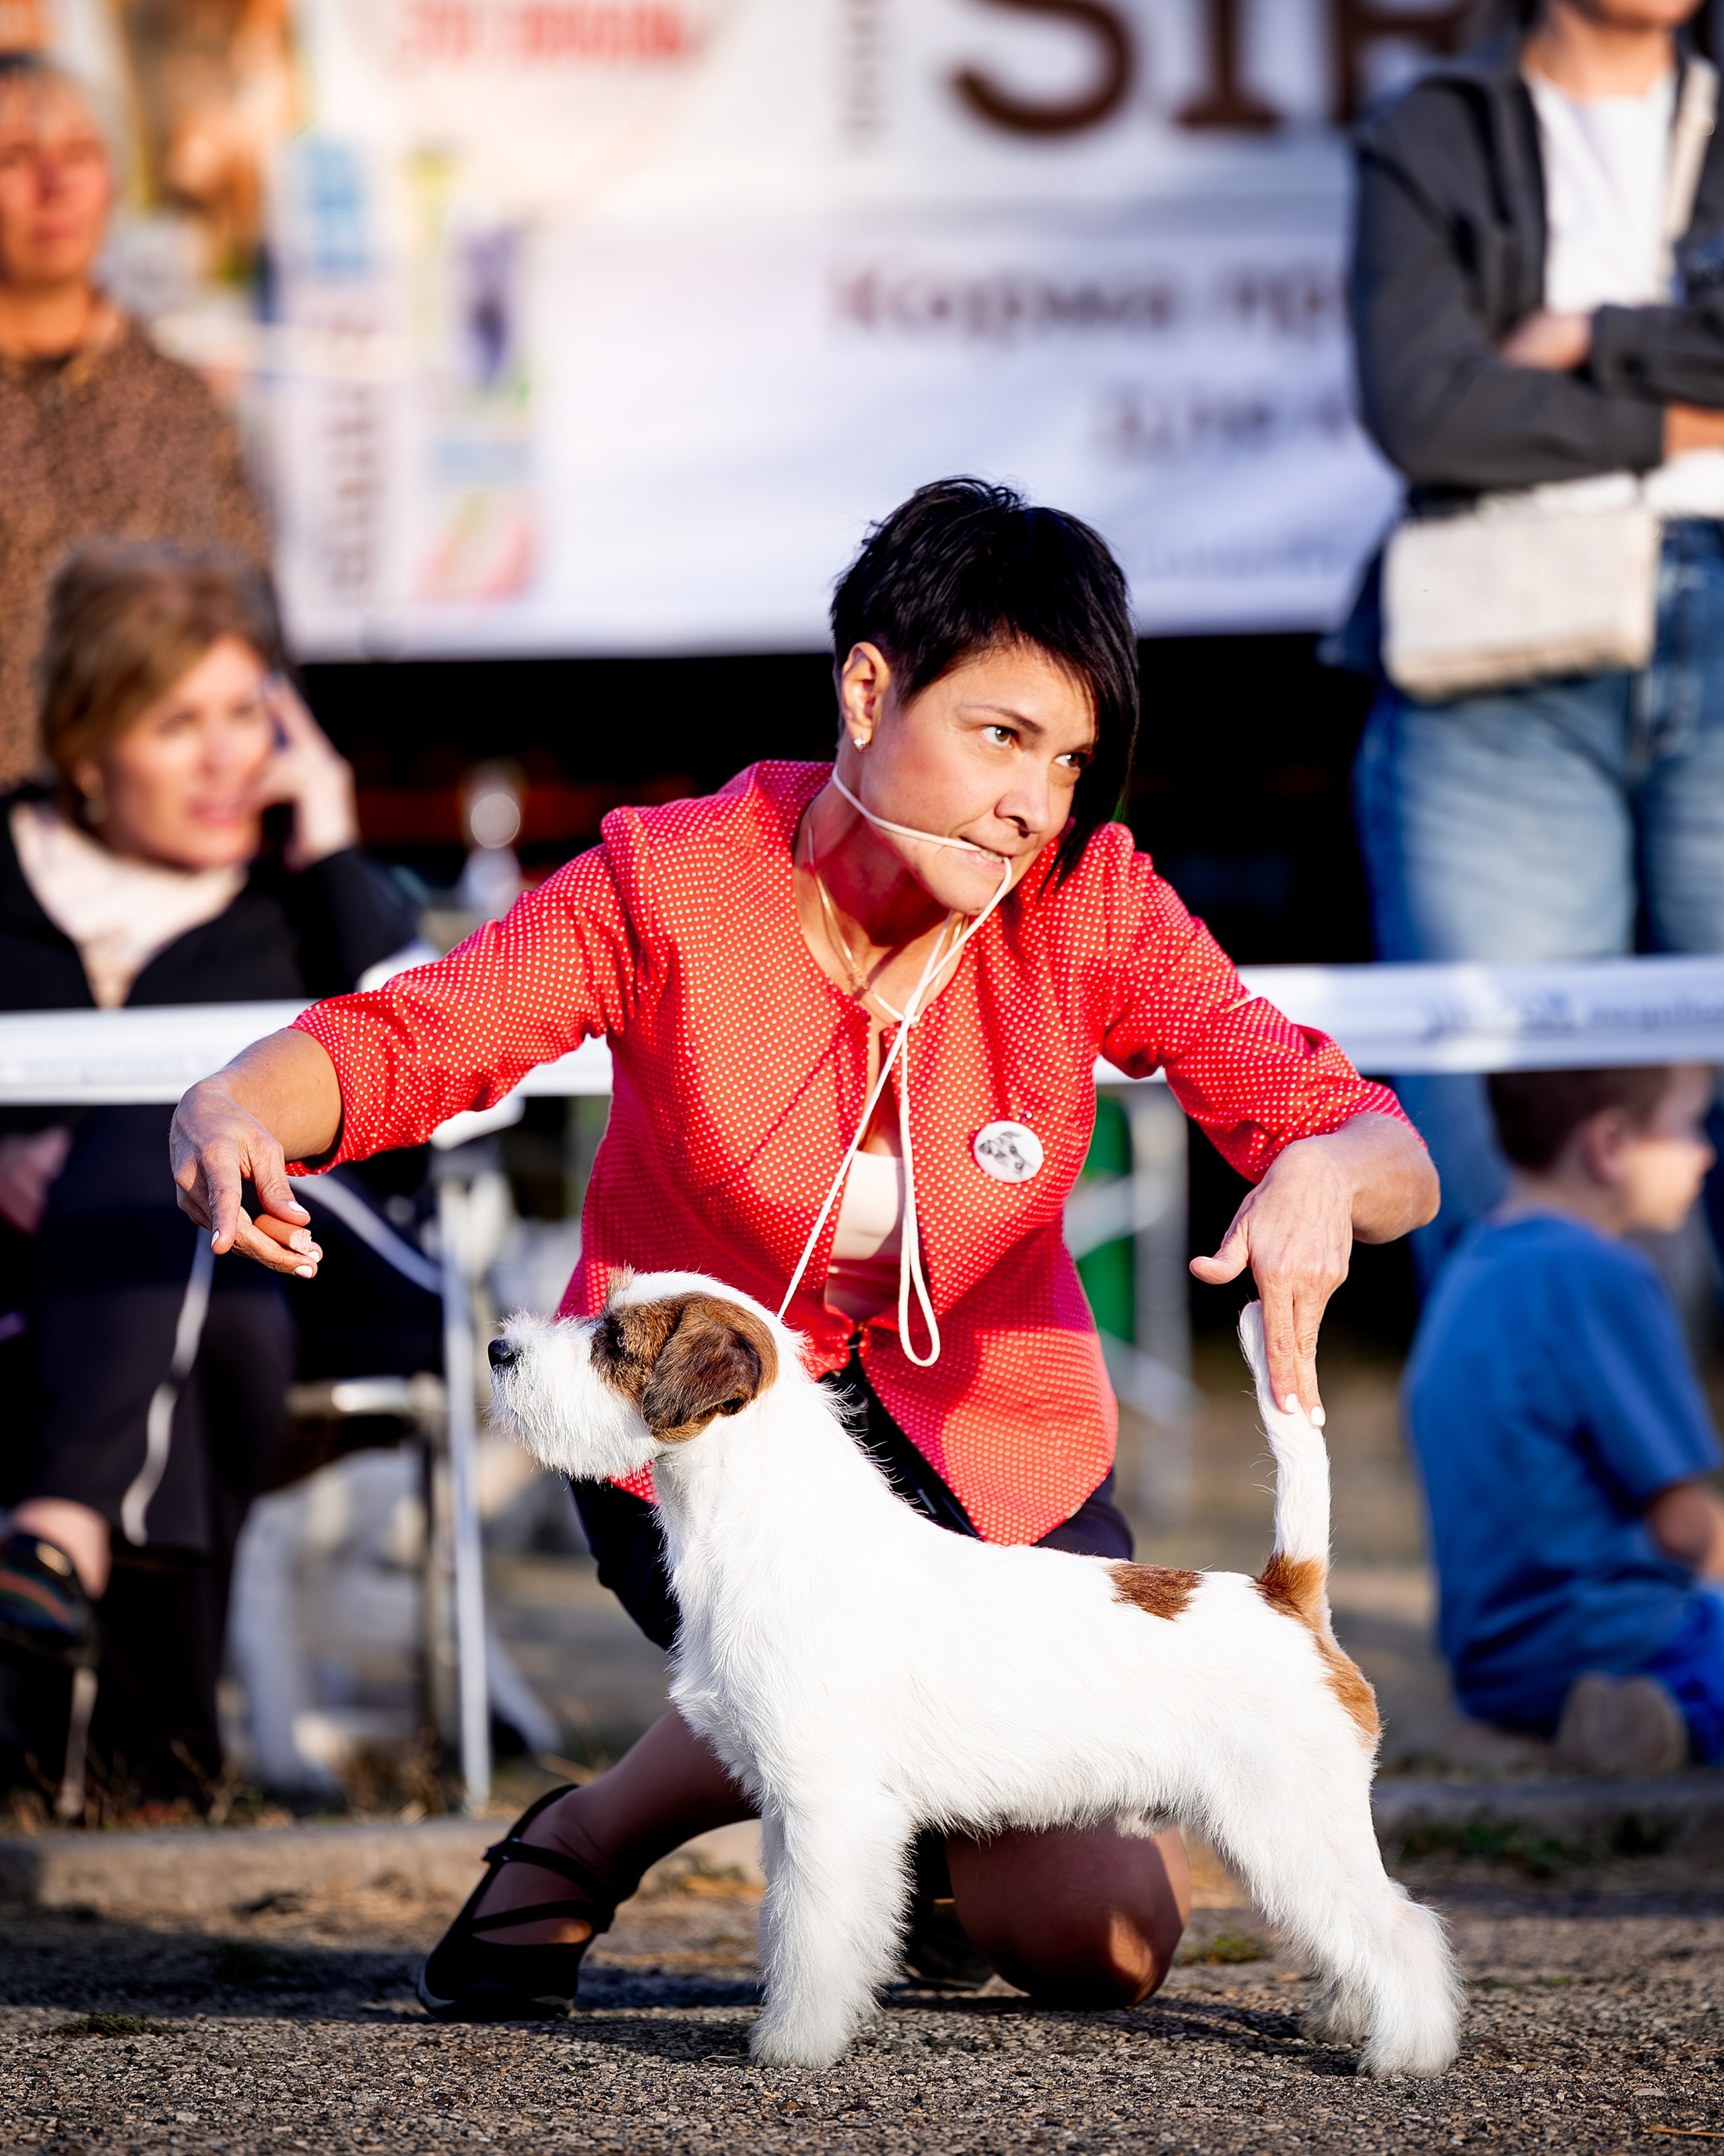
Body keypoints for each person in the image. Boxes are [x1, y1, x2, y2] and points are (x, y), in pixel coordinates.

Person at [170, 478, 1438, 2019]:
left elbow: (1382, 1148)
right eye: (998, 735)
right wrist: (244, 1099)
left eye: (1067, 760)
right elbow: (425, 1035)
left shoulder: (1086, 902)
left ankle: (838, 1843)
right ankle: (593, 1834)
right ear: (865, 690)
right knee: (803, 1629)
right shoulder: (670, 880)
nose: (1033, 799)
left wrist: (1321, 1169)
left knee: (1096, 1941)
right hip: (701, 1440)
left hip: (998, 1466)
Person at [0, 542, 418, 1805]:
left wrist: (338, 840)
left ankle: (52, 1537)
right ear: (85, 749)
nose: (232, 756)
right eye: (180, 722)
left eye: (250, 712)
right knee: (214, 1304)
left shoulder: (299, 900)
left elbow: (439, 1055)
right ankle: (157, 1763)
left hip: (322, 1251)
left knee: (182, 1127)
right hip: (109, 1284)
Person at [1339, 0, 1724, 1275]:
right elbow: (1429, 409)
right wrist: (1681, 425)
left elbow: (1478, 392)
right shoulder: (1432, 128)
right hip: (1503, 651)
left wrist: (1593, 337)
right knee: (1513, 1148)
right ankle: (1576, 1475)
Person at [1405, 1063, 1724, 1774]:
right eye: (1682, 1126)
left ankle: (1627, 1721)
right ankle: (1660, 1715)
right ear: (1609, 1143)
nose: (1703, 1151)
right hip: (1615, 1637)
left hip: (1492, 1666)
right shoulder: (1602, 1274)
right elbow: (1684, 1526)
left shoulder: (1469, 1261)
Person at [0, 53, 267, 789]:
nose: (53, 188)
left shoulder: (179, 404)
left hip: (161, 833)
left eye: (79, 155)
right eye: (16, 159)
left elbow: (254, 628)